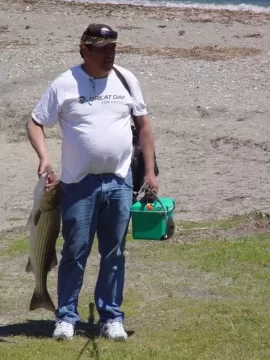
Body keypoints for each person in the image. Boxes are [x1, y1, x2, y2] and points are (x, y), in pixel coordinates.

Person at [26, 23, 158, 341]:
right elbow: (34, 122)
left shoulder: (127, 79)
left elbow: (143, 127)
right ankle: (66, 318)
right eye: (102, 48)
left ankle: (111, 317)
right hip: (77, 184)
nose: (110, 53)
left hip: (120, 181)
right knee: (74, 251)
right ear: (84, 49)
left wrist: (150, 173)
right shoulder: (65, 83)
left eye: (113, 47)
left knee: (114, 252)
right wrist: (44, 157)